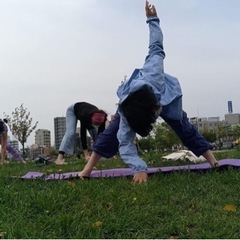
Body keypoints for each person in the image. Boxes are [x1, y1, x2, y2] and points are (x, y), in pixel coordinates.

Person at [78, 1, 219, 183]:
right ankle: (87, 170)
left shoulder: (153, 74)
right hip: (136, 106)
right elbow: (125, 143)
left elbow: (156, 47)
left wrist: (152, 19)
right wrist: (139, 168)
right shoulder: (128, 113)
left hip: (167, 94)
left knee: (184, 128)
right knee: (111, 133)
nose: (155, 117)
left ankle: (213, 161)